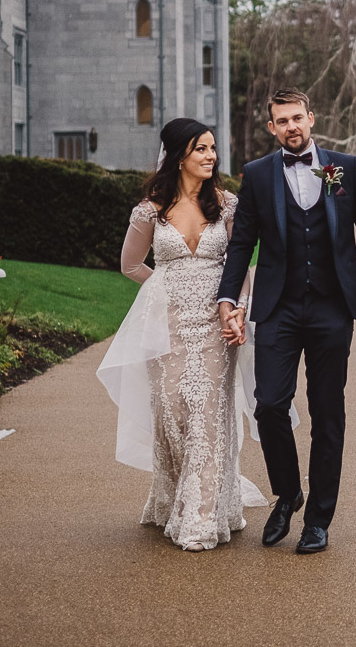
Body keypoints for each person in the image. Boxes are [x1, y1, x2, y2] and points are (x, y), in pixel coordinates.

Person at [217, 86, 356, 555]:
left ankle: (319, 519)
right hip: (278, 307)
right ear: (271, 127)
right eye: (282, 121)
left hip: (331, 308)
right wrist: (227, 297)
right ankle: (288, 493)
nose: (291, 127)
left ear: (312, 118)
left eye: (297, 118)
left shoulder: (340, 168)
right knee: (268, 406)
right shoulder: (258, 175)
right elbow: (242, 245)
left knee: (327, 413)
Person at [97, 117, 268, 551]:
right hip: (166, 324)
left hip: (217, 322)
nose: (211, 156)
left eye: (213, 148)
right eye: (201, 149)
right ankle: (173, 497)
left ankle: (202, 517)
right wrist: (164, 290)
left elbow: (240, 263)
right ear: (179, 156)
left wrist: (239, 310)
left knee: (208, 414)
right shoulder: (149, 210)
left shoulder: (227, 205)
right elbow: (130, 265)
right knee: (172, 415)